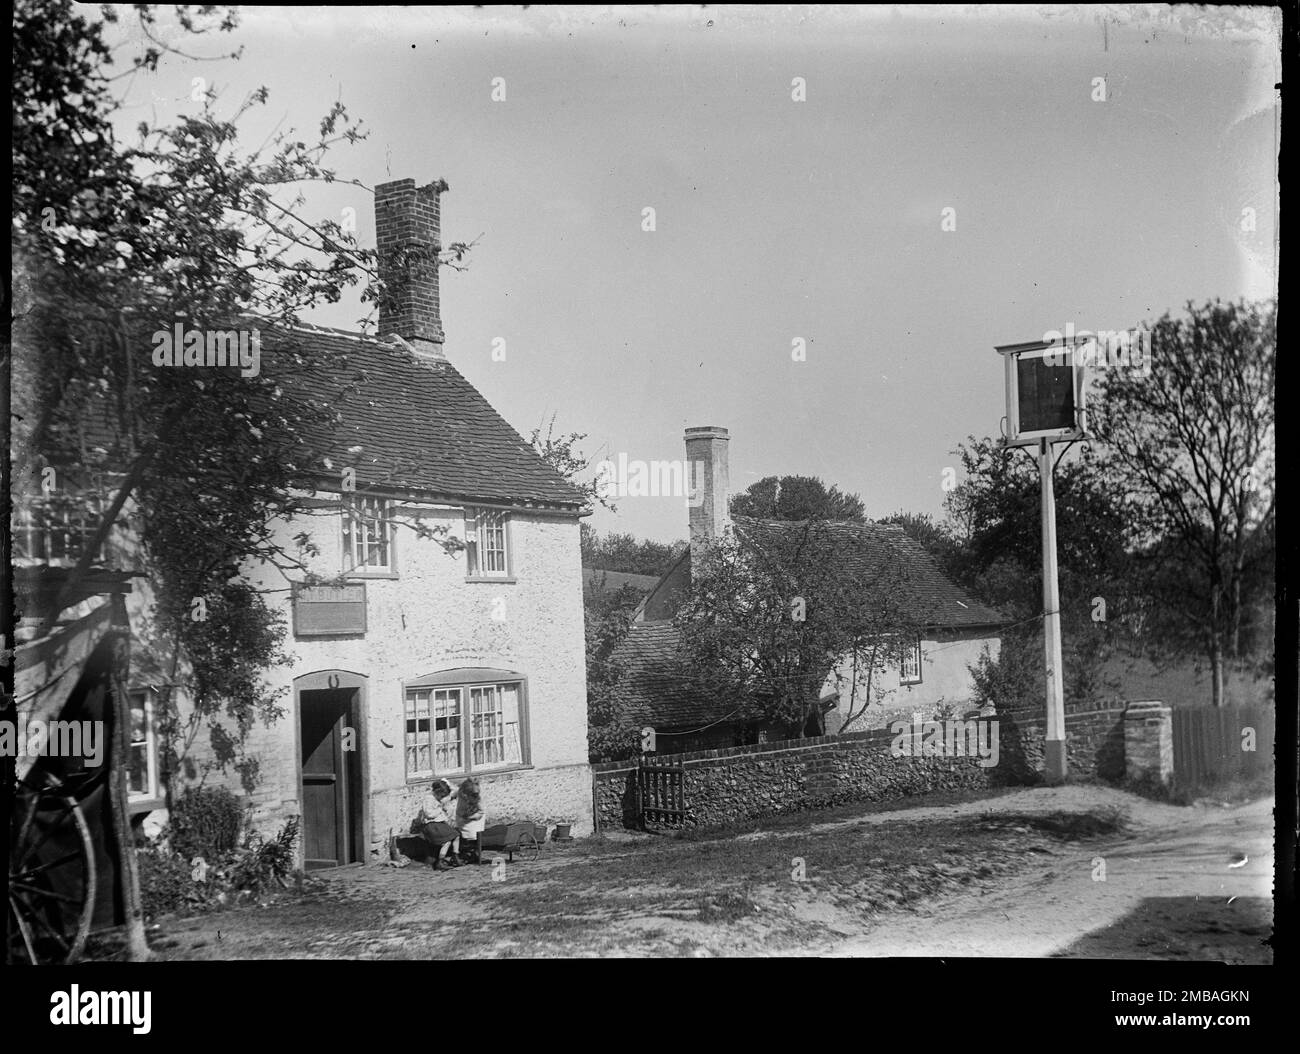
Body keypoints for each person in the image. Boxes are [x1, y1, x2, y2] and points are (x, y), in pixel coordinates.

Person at [418, 779, 461, 870]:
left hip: (439, 824)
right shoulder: (428, 799)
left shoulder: (438, 799)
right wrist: (440, 810)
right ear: (437, 792)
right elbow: (428, 814)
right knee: (447, 841)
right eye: (441, 795)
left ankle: (455, 856)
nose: (442, 797)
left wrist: (447, 782)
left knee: (456, 835)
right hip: (431, 825)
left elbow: (455, 792)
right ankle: (440, 861)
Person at [455, 777, 485, 864]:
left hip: (475, 817)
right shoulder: (461, 793)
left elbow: (481, 811)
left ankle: (474, 851)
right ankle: (465, 850)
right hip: (462, 816)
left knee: (474, 834)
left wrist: (472, 817)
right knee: (463, 832)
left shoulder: (477, 798)